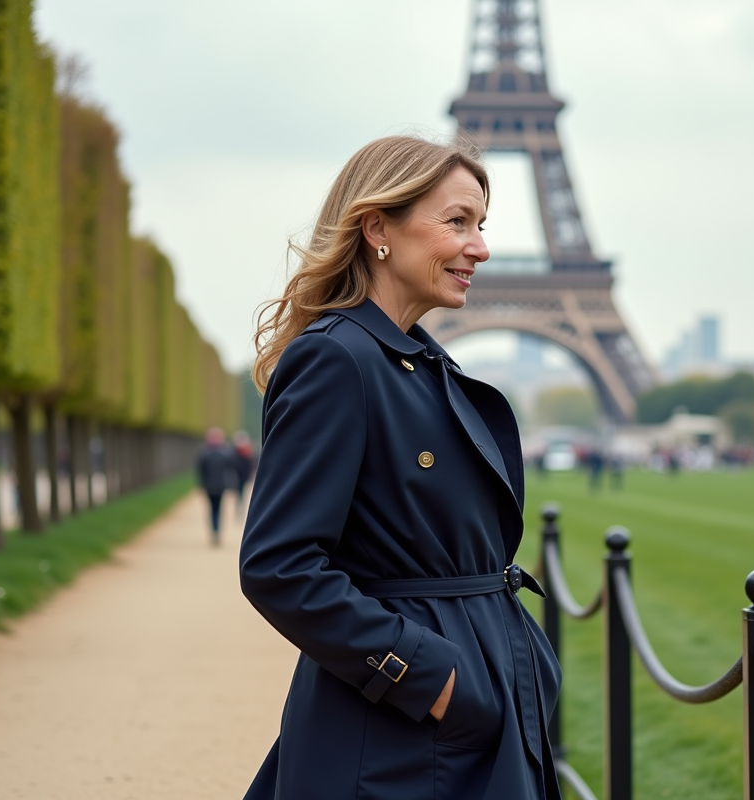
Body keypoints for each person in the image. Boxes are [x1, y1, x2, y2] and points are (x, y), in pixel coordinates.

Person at [239, 136, 562, 800]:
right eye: (457, 222)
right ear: (378, 227)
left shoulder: (416, 367)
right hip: (403, 728)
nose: (481, 247)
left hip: (451, 716)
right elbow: (279, 565)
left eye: (481, 225)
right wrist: (431, 679)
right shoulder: (339, 361)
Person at [195, 428, 235, 545]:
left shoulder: (204, 453)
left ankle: (214, 531)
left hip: (210, 486)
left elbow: (201, 472)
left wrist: (201, 485)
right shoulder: (226, 453)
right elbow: (230, 471)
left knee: (212, 510)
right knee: (218, 509)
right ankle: (216, 531)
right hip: (220, 486)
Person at [230, 430, 257, 518]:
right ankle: (240, 507)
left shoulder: (236, 453)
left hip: (240, 476)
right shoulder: (246, 453)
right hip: (241, 476)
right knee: (241, 493)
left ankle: (239, 507)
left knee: (240, 493)